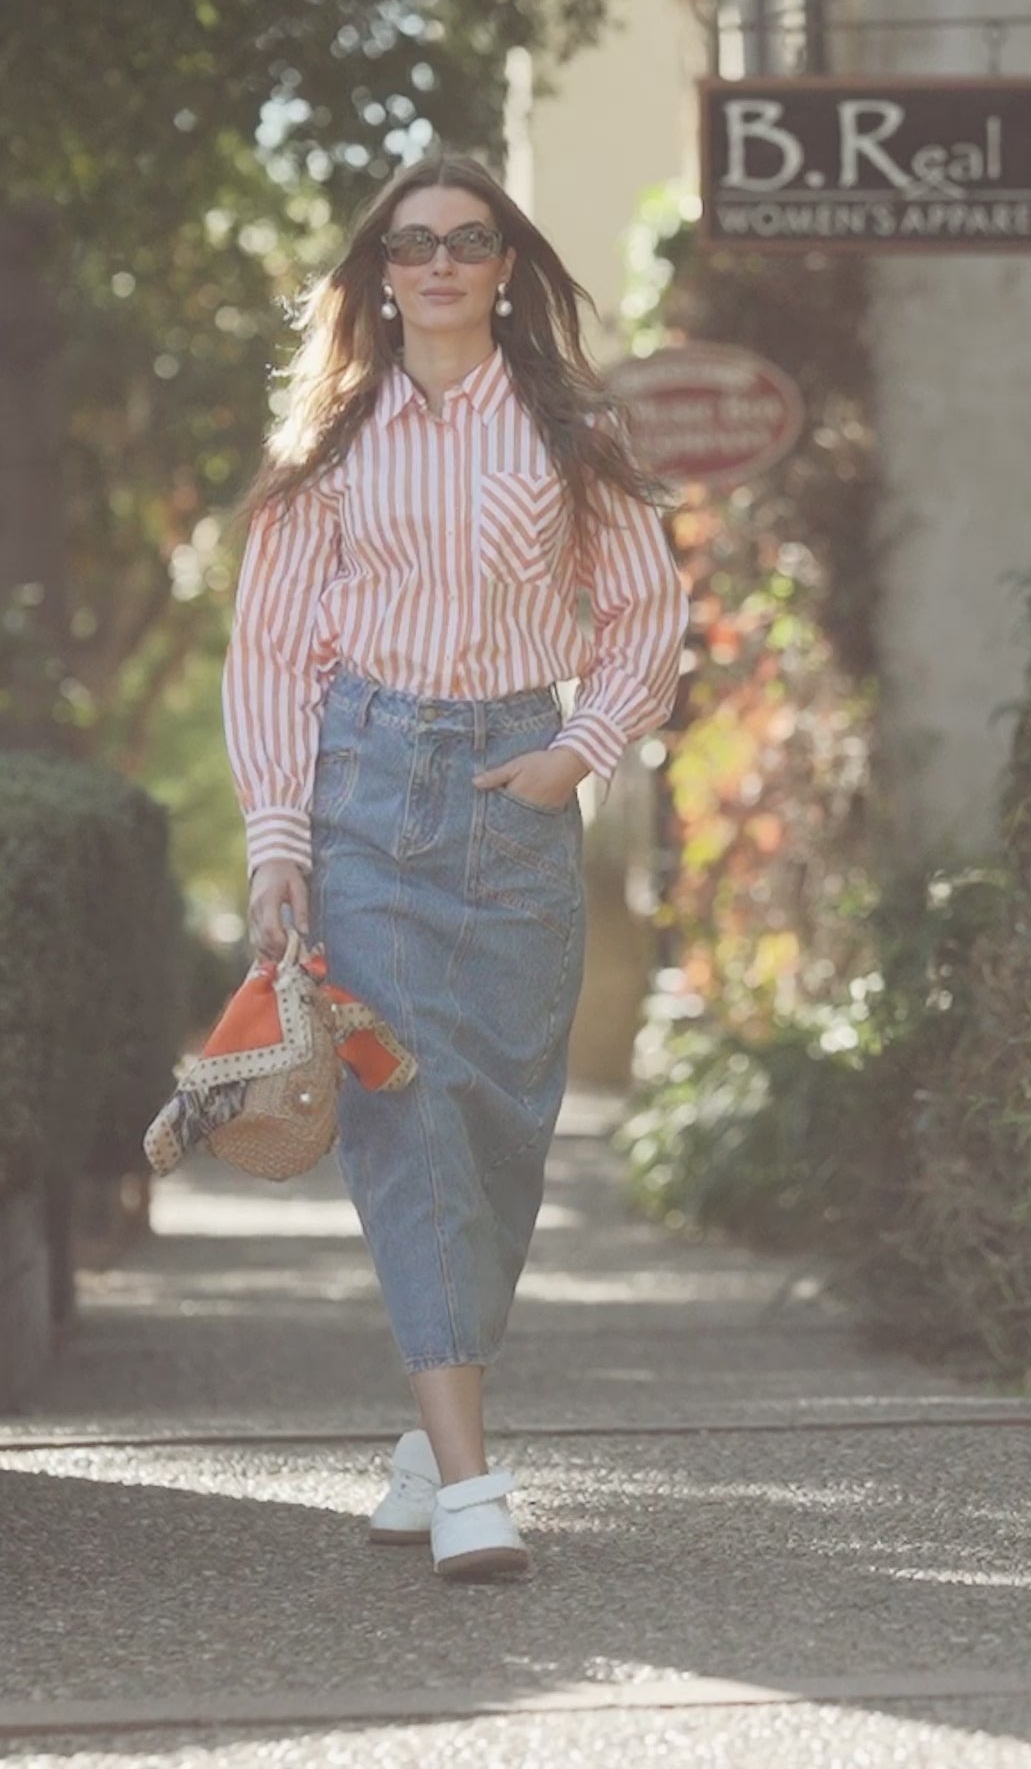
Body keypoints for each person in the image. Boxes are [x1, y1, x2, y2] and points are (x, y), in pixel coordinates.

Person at [222, 152, 689, 1582]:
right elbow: (273, 651)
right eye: (412, 243)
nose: (437, 264)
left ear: (502, 267)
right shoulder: (330, 442)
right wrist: (280, 843)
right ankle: (477, 1483)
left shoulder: (568, 428)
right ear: (380, 272)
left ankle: (432, 1431)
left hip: (517, 792)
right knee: (405, 1115)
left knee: (498, 1126)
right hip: (366, 786)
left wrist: (582, 749)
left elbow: (649, 602)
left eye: (467, 241)